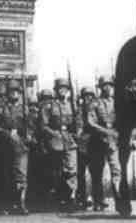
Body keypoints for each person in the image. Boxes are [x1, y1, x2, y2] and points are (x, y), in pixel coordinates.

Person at [39, 78, 82, 211]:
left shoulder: (72, 105)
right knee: (56, 171)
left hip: (69, 140)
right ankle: (57, 199)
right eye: (60, 89)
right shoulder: (49, 106)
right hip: (55, 141)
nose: (62, 91)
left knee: (71, 170)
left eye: (65, 88)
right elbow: (43, 125)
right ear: (56, 91)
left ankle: (71, 198)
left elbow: (79, 121)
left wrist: (78, 131)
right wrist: (54, 134)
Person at [0, 79, 31, 215]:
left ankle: (21, 203)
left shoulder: (25, 108)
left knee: (21, 175)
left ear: (19, 93)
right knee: (6, 175)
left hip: (21, 146)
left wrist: (28, 134)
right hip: (5, 146)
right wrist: (7, 133)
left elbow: (30, 125)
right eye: (11, 91)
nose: (14, 94)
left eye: (16, 91)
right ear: (7, 93)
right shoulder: (0, 108)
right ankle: (7, 204)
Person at [87, 76, 121, 211]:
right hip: (98, 141)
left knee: (116, 169)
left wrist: (117, 132)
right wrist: (106, 131)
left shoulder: (117, 103)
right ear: (100, 88)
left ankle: (119, 197)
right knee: (97, 172)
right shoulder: (94, 103)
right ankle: (98, 200)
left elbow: (122, 120)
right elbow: (91, 122)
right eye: (105, 85)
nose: (108, 88)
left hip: (113, 141)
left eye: (110, 85)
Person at [76, 87, 94, 210]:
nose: (88, 98)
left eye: (90, 96)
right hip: (82, 144)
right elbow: (78, 125)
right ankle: (82, 197)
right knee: (80, 173)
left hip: (95, 144)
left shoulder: (96, 109)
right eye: (85, 96)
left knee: (96, 173)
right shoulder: (79, 110)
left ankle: (97, 198)